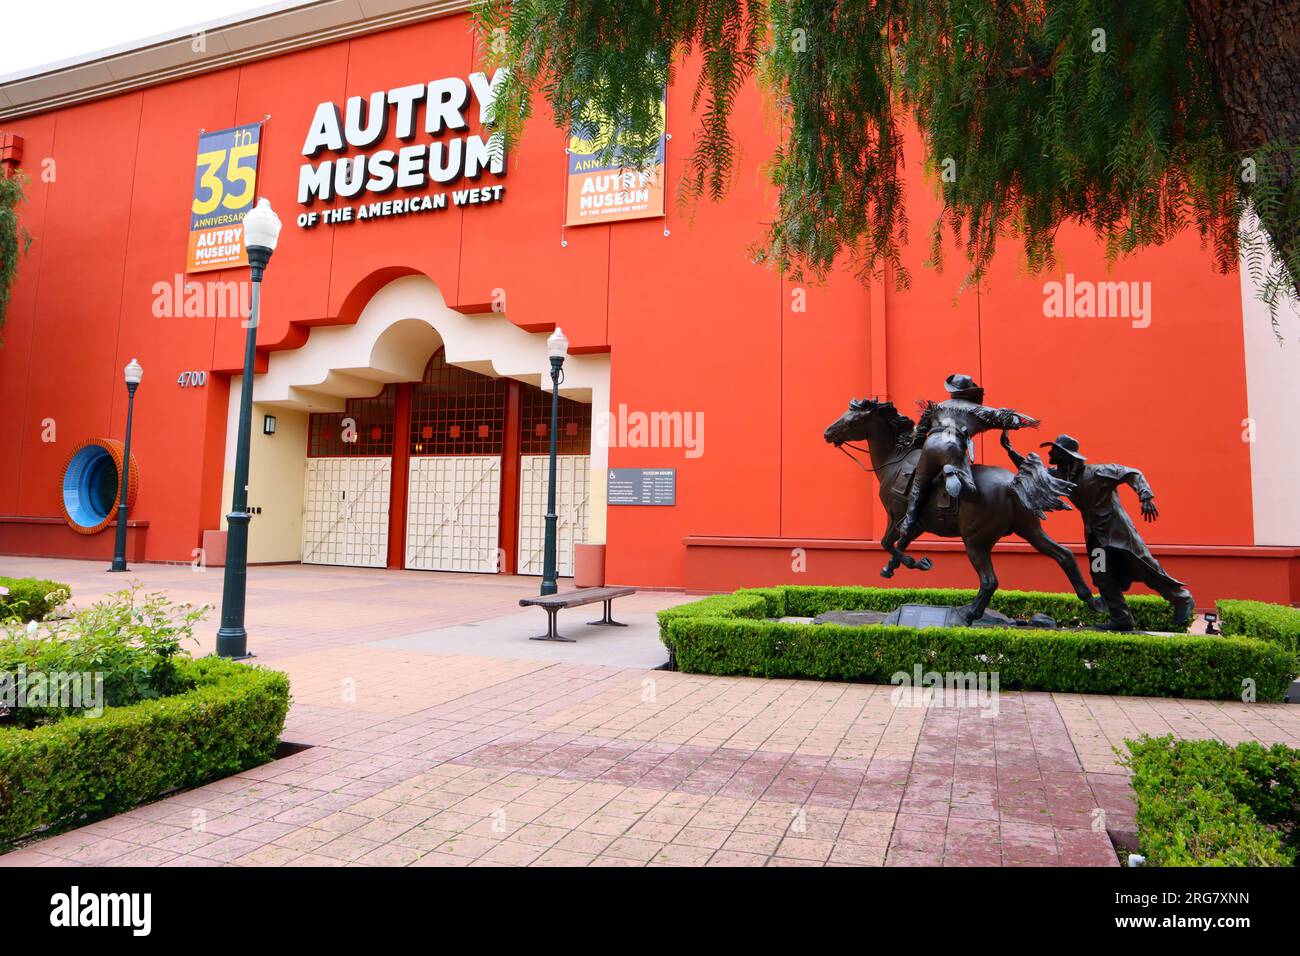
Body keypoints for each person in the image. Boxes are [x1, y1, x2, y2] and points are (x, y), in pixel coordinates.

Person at [1001, 431, 1196, 630]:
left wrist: (1145, 496)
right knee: (1100, 573)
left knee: (1145, 567)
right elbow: (1037, 473)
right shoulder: (1061, 476)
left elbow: (1132, 473)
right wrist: (1010, 451)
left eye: (1054, 450)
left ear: (1065, 455)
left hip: (1119, 534)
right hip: (1096, 537)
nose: (1050, 453)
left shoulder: (1098, 472)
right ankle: (1121, 619)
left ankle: (1181, 598)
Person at [898, 374, 1039, 538]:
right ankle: (953, 474)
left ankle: (909, 522)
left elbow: (920, 434)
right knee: (971, 491)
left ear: (952, 391)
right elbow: (1013, 420)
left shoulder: (936, 408)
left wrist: (914, 444)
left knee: (919, 484)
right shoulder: (978, 411)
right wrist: (1014, 420)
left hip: (931, 443)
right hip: (953, 447)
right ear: (971, 392)